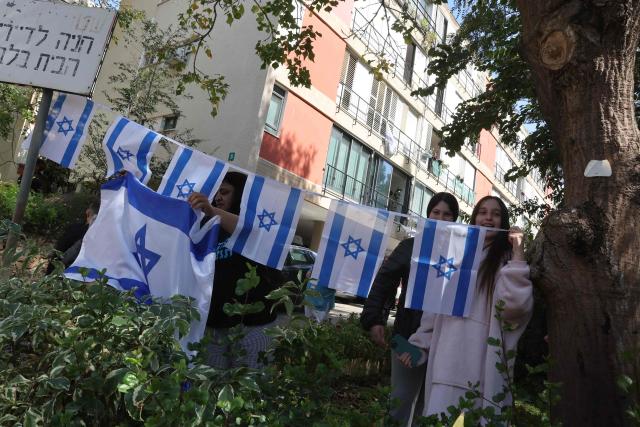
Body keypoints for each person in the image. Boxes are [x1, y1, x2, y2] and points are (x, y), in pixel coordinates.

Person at [399, 195, 533, 419]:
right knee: (439, 421)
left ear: (504, 222)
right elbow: (436, 307)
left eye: (496, 214)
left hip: (481, 371)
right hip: (444, 366)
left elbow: (514, 308)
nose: (488, 217)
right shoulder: (458, 254)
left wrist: (518, 252)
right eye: (482, 212)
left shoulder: (507, 260)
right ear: (474, 218)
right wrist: (420, 344)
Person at [360, 192, 460, 426]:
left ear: (454, 220)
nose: (440, 218)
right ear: (428, 215)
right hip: (405, 337)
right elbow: (384, 282)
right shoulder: (409, 246)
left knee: (430, 407)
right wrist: (374, 319)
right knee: (400, 402)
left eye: (447, 214)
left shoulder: (462, 254)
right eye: (436, 213)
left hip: (444, 342)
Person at [188, 172, 283, 369]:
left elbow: (249, 232)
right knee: (212, 388)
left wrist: (212, 210)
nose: (218, 197)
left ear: (240, 195)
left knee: (247, 390)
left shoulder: (256, 224)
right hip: (215, 324)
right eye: (216, 193)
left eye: (225, 192)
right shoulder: (209, 225)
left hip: (253, 326)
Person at [46, 199, 99, 274]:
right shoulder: (103, 238)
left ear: (88, 212)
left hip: (62, 272)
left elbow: (59, 251)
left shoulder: (75, 229)